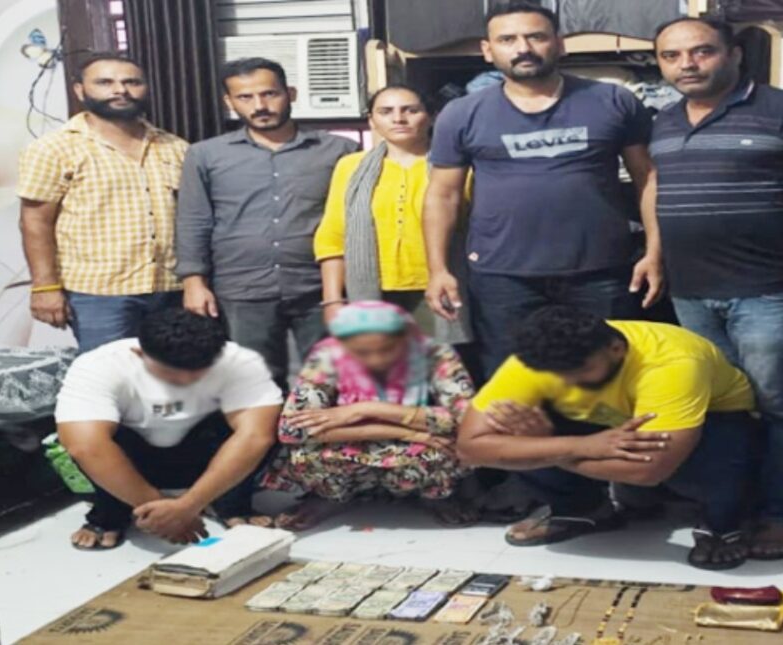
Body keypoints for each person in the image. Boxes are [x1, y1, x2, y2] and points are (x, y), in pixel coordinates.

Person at [649, 18, 783, 560]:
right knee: (720, 407)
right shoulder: (664, 121)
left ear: (734, 54)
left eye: (701, 51)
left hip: (772, 290)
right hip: (692, 292)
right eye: (671, 56)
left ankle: (782, 511)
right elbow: (656, 188)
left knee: (782, 408)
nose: (687, 64)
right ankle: (729, 507)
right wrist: (654, 254)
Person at [423, 1, 663, 378]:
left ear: (560, 43)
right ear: (488, 50)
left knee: (607, 379)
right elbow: (442, 195)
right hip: (503, 277)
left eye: (536, 36)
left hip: (602, 271)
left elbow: (646, 177)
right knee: (513, 382)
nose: (523, 48)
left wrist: (654, 252)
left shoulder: (614, 101)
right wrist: (437, 269)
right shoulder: (461, 113)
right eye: (507, 39)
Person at [456, 306, 759, 570]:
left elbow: (650, 470)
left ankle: (723, 523)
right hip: (607, 424)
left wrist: (546, 450)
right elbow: (470, 447)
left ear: (615, 349)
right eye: (554, 374)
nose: (566, 381)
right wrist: (576, 446)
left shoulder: (672, 363)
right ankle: (584, 509)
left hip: (712, 422)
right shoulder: (538, 359)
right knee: (514, 430)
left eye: (579, 370)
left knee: (719, 451)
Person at [175, 57, 359, 390]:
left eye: (269, 94)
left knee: (329, 381)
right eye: (245, 97)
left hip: (319, 287)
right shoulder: (205, 155)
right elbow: (193, 219)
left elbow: (356, 222)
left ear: (291, 93)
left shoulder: (340, 150)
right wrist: (193, 282)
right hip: (242, 288)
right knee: (254, 385)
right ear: (229, 102)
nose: (259, 106)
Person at [54, 308, 283, 550]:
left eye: (198, 373)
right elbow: (86, 447)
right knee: (86, 438)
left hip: (204, 452)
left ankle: (230, 504)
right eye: (172, 374)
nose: (186, 383)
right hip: (137, 459)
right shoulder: (99, 365)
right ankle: (112, 514)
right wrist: (161, 513)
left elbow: (255, 437)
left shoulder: (239, 362)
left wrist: (188, 506)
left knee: (272, 422)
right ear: (139, 354)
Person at [17, 52, 188, 352]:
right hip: (98, 294)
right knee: (110, 373)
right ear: (80, 90)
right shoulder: (54, 148)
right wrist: (45, 287)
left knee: (170, 372)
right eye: (105, 82)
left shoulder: (174, 147)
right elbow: (35, 222)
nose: (120, 90)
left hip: (171, 288)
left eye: (132, 82)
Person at [262, 301, 476, 530]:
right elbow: (292, 429)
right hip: (382, 439)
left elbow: (468, 420)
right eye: (362, 352)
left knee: (451, 446)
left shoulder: (434, 354)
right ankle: (330, 497)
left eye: (387, 349)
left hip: (413, 443)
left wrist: (365, 409)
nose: (376, 360)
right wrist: (408, 433)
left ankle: (434, 496)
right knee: (305, 454)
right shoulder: (327, 356)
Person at [314, 85, 471, 344]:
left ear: (431, 116)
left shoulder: (454, 167)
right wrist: (333, 300)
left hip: (440, 288)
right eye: (386, 112)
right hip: (373, 292)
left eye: (410, 110)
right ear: (372, 121)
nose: (398, 119)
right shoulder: (350, 167)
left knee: (441, 363)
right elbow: (332, 236)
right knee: (381, 365)